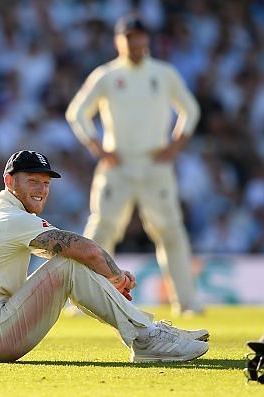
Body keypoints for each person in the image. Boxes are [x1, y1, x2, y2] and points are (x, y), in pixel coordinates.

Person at [0, 150, 209, 363]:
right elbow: (87, 250)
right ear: (9, 181)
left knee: (69, 264)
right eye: (32, 181)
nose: (41, 189)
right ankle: (146, 337)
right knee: (69, 264)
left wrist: (104, 280)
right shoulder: (12, 219)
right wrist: (116, 276)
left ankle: (147, 332)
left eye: (46, 183)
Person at [65, 14, 202, 316]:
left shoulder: (163, 74)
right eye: (128, 37)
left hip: (155, 163)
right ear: (118, 41)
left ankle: (187, 303)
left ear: (147, 39)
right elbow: (77, 113)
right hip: (119, 163)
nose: (135, 42)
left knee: (171, 232)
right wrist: (96, 146)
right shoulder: (108, 75)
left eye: (139, 36)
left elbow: (190, 110)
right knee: (101, 230)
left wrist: (176, 144)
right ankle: (84, 302)